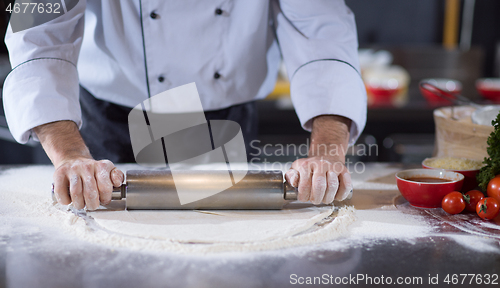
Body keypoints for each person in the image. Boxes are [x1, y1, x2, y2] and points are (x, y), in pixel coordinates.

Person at [3, 0, 366, 210]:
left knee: (224, 247)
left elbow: (323, 27)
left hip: (223, 120)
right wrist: (69, 155)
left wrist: (327, 153)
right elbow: (34, 29)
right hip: (107, 124)